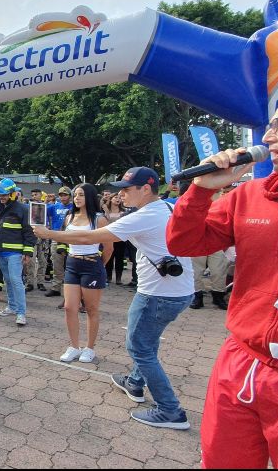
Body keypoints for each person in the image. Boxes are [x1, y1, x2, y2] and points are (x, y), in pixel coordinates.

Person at [166, 86, 278, 467]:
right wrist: (200, 191)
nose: (268, 136)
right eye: (270, 125)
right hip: (241, 362)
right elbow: (184, 242)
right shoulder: (252, 195)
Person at [35, 167, 194, 430]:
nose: (122, 194)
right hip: (176, 290)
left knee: (140, 348)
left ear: (146, 189)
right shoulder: (165, 207)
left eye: (127, 189)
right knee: (148, 341)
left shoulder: (146, 215)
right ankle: (134, 382)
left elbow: (91, 237)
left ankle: (170, 410)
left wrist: (50, 234)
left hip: (157, 294)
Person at [52, 183, 112, 364]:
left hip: (92, 265)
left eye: (81, 195)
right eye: (75, 195)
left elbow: (109, 248)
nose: (77, 198)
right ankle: (74, 346)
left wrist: (98, 266)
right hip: (72, 264)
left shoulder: (99, 219)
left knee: (91, 309)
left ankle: (90, 348)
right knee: (70, 307)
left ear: (90, 197)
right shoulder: (69, 217)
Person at [0, 178, 36, 326]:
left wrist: (28, 252)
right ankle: (11, 306)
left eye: (4, 195)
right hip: (1, 252)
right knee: (8, 281)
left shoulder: (23, 209)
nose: (1, 197)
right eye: (0, 195)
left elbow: (29, 232)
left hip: (15, 253)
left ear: (12, 194)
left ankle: (21, 313)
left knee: (16, 281)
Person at [45, 187, 74, 298]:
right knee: (57, 264)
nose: (63, 197)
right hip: (57, 237)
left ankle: (71, 289)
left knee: (71, 265)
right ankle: (56, 288)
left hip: (71, 237)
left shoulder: (75, 207)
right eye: (61, 195)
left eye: (65, 195)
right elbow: (40, 210)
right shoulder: (54, 206)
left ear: (70, 196)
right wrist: (46, 201)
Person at [102, 193, 127, 285]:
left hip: (120, 238)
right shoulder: (105, 211)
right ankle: (108, 276)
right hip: (108, 237)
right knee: (109, 257)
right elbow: (105, 221)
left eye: (120, 198)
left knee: (119, 258)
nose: (118, 199)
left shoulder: (124, 211)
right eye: (116, 197)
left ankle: (118, 278)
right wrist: (106, 210)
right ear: (111, 199)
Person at [28, 188, 49, 291]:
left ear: (41, 195)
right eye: (32, 195)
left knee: (43, 261)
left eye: (36, 194)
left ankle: (41, 282)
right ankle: (30, 283)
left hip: (43, 239)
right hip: (32, 238)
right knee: (30, 262)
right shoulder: (28, 208)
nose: (34, 196)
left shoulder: (46, 207)